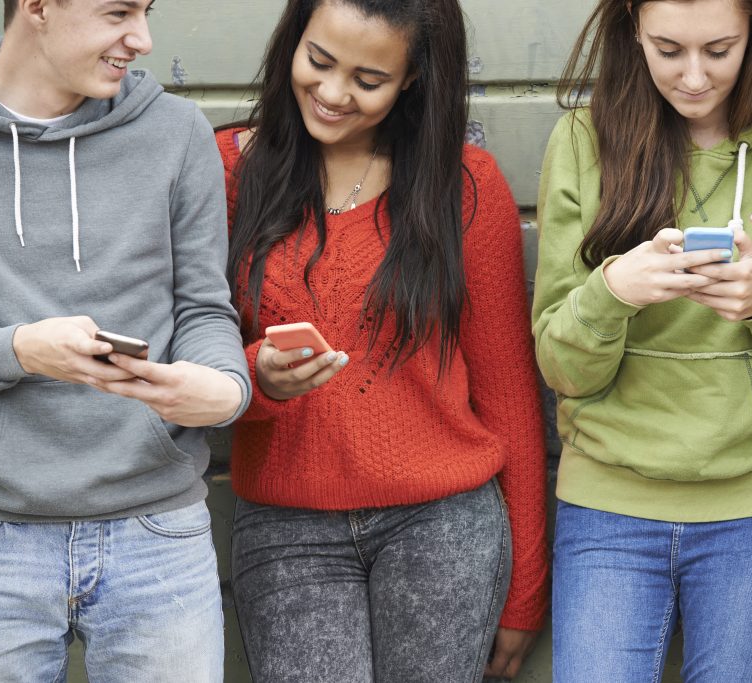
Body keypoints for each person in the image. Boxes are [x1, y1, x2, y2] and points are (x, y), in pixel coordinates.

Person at [218, 0, 549, 681]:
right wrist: (255, 374)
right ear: (293, 39)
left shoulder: (464, 186)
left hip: (444, 526)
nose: (334, 93)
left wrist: (524, 594)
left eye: (368, 79)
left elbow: (510, 394)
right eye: (318, 60)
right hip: (287, 530)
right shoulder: (226, 170)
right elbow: (191, 350)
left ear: (414, 79)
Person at [532, 0, 752, 680]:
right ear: (632, 31)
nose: (694, 76)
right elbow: (561, 364)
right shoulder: (584, 140)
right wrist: (613, 291)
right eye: (667, 49)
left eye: (719, 49)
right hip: (608, 504)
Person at [0, 1, 250, 681]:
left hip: (158, 534)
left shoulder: (177, 132)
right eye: (118, 12)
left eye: (148, 11)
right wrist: (17, 350)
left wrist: (221, 387)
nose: (144, 39)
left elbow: (206, 311)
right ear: (37, 6)